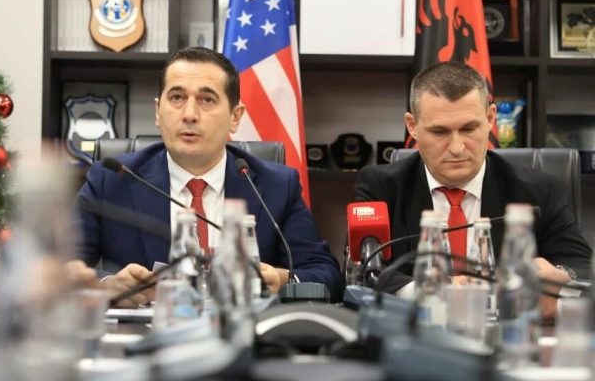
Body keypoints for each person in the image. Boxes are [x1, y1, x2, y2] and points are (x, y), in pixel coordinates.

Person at [76, 47, 341, 307]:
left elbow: (326, 274)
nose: (189, 115)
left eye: (207, 100)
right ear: (158, 111)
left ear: (235, 117)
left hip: (242, 331)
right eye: (177, 97)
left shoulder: (276, 186)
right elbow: (62, 268)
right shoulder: (112, 180)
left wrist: (283, 280)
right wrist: (106, 286)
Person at [354, 61, 592, 319]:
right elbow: (364, 272)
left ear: (490, 119)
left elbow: (581, 266)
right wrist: (434, 292)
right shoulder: (381, 187)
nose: (457, 147)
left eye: (469, 129)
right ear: (413, 126)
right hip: (417, 331)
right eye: (439, 132)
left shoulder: (539, 191)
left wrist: (561, 277)